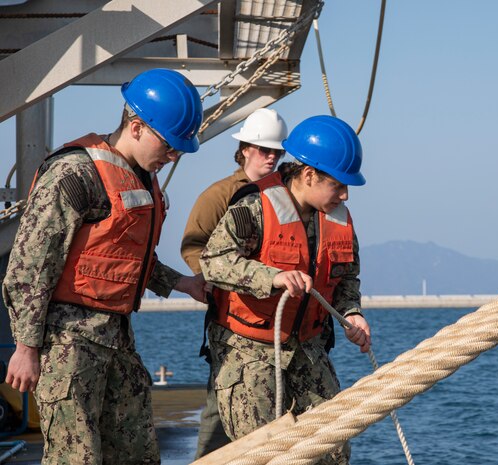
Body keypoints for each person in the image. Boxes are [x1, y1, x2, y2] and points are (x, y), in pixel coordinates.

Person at [3, 68, 207, 465]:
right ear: (136, 127)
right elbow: (29, 266)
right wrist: (25, 347)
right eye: (169, 145)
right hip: (68, 345)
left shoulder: (143, 179)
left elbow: (122, 259)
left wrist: (183, 283)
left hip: (117, 339)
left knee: (137, 455)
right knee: (75, 458)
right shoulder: (76, 174)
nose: (174, 155)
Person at [200, 115, 371, 464]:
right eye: (338, 185)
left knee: (334, 449)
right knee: (262, 454)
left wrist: (352, 313)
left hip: (308, 349)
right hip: (249, 353)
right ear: (309, 175)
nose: (345, 194)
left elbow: (346, 279)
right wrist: (270, 277)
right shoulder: (253, 208)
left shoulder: (339, 219)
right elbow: (213, 262)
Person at [180, 107, 288, 458]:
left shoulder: (287, 195)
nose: (272, 157)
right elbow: (194, 245)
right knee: (221, 403)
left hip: (279, 320)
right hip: (232, 319)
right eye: (264, 150)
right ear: (244, 149)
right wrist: (210, 279)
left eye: (278, 151)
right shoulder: (219, 195)